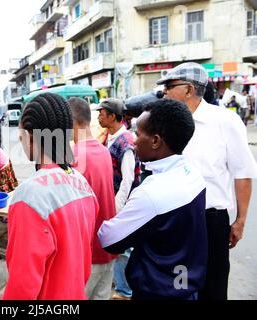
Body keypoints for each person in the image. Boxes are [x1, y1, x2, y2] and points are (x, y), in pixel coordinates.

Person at [158, 62, 257, 300]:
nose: (164, 92)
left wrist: (241, 220)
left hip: (210, 221)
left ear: (189, 90)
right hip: (174, 220)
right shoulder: (163, 122)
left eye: (170, 86)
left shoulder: (225, 121)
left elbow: (242, 173)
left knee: (212, 286)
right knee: (179, 284)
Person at [99, 99, 208, 300]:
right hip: (186, 286)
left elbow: (109, 239)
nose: (133, 140)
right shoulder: (193, 175)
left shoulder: (151, 193)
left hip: (158, 292)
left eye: (138, 134)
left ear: (156, 141)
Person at [2, 93, 98, 300]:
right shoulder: (82, 183)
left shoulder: (29, 195)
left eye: (20, 137)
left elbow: (23, 284)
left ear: (30, 136)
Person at [68, 97, 117, 300]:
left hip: (88, 252)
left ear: (72, 122)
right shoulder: (104, 151)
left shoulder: (73, 157)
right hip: (108, 244)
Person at [93, 98, 141, 300]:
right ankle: (120, 283)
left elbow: (128, 179)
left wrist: (115, 208)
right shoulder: (109, 137)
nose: (98, 117)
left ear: (112, 116)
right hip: (111, 201)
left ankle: (124, 291)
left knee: (123, 249)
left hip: (121, 204)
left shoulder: (126, 142)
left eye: (101, 113)